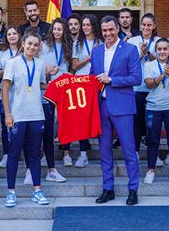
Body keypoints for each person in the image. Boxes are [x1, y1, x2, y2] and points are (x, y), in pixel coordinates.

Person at [90, 16, 142, 206]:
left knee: (129, 150)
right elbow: (91, 78)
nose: (108, 34)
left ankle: (133, 189)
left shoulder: (130, 49)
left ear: (117, 28)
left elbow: (137, 78)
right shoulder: (96, 51)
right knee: (104, 150)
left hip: (123, 107)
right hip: (101, 106)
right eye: (104, 31)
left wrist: (112, 80)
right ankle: (108, 188)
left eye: (111, 30)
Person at [2, 31, 50, 208]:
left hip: (37, 115)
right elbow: (5, 90)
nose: (32, 47)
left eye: (35, 45)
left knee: (34, 154)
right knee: (14, 154)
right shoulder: (12, 63)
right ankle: (11, 192)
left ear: (39, 48)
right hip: (18, 115)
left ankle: (37, 190)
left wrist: (60, 83)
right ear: (23, 43)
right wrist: (7, 113)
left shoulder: (40, 64)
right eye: (29, 44)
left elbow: (41, 85)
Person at [142, 38, 169, 185]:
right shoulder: (149, 65)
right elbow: (149, 84)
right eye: (159, 49)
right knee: (152, 140)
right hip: (153, 107)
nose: (162, 52)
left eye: (165, 49)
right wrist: (162, 75)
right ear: (155, 50)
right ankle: (151, 170)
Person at [34, 18, 71, 182]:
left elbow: (70, 66)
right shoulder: (43, 46)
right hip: (46, 89)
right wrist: (49, 72)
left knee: (62, 119)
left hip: (63, 86)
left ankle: (62, 151)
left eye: (60, 29)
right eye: (55, 29)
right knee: (45, 124)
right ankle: (42, 158)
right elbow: (40, 70)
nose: (57, 31)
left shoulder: (68, 46)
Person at [64, 14, 101, 165]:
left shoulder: (101, 42)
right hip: (81, 83)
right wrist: (89, 57)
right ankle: (83, 154)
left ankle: (102, 150)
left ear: (93, 26)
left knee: (98, 117)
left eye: (87, 25)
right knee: (82, 119)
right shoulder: (77, 44)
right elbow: (74, 66)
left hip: (97, 83)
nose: (85, 27)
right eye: (83, 25)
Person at [127, 14, 158, 158]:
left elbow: (161, 61)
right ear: (140, 26)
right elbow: (129, 63)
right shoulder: (132, 41)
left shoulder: (159, 41)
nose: (146, 28)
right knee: (136, 121)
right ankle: (136, 151)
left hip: (154, 87)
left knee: (153, 122)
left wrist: (149, 53)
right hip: (137, 87)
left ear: (154, 26)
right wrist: (142, 53)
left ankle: (154, 153)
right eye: (144, 25)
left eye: (149, 25)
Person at [0, 26, 22, 168]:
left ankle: (19, 153)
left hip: (21, 94)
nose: (12, 36)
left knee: (20, 124)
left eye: (14, 34)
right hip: (5, 93)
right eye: (9, 34)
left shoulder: (25, 51)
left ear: (19, 36)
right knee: (6, 125)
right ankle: (6, 154)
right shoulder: (2, 54)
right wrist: (9, 67)